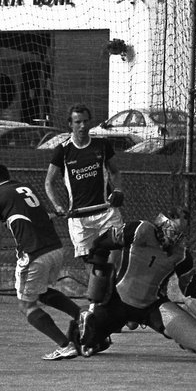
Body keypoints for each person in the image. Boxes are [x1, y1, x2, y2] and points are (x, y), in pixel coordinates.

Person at [75, 207, 196, 363]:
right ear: (162, 224)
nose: (175, 238)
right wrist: (99, 283)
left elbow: (191, 289)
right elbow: (101, 244)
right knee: (83, 340)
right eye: (173, 231)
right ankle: (91, 324)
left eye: (180, 234)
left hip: (153, 306)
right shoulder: (140, 230)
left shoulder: (181, 255)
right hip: (117, 299)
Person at [0, 163, 83, 361]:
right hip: (56, 250)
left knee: (26, 305)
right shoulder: (24, 188)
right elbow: (41, 217)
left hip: (34, 255)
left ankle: (66, 346)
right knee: (41, 292)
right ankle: (82, 317)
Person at [45, 103, 125, 279]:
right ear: (70, 124)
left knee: (115, 257)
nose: (82, 126)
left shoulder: (102, 145)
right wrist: (57, 206)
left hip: (107, 212)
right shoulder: (63, 150)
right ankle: (98, 301)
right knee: (93, 270)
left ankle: (110, 292)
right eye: (78, 122)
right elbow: (48, 183)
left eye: (85, 121)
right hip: (79, 218)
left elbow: (115, 171)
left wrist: (118, 190)